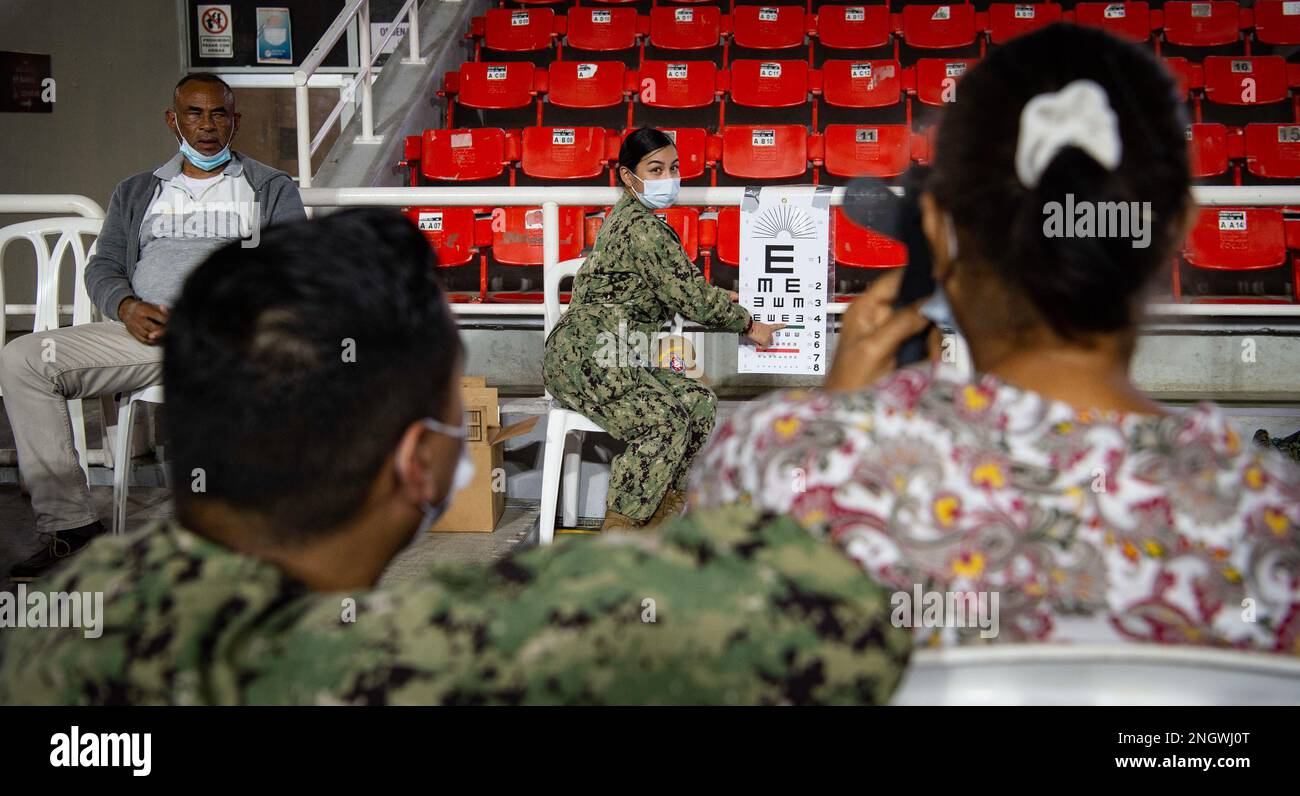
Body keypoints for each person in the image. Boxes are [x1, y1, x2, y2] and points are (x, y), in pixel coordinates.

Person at [0, 209, 910, 705]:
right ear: (421, 466)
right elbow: (832, 628)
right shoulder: (458, 651)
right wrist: (829, 422)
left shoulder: (51, 622)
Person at [690, 24, 1300, 652]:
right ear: (1176, 230)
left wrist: (830, 433)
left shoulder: (768, 464)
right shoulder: (1274, 518)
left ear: (936, 227)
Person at [0, 73, 305, 582]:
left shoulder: (269, 187)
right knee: (22, 358)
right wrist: (125, 306)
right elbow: (104, 266)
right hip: (143, 333)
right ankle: (71, 527)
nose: (207, 125)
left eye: (219, 114)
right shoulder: (139, 190)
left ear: (235, 121)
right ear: (173, 119)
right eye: (194, 113)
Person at [544, 128, 783, 532]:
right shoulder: (643, 229)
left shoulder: (634, 219)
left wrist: (724, 298)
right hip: (587, 356)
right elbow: (689, 297)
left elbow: (675, 284)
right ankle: (619, 541)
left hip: (621, 354)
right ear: (627, 176)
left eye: (672, 168)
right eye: (655, 169)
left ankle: (658, 526)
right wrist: (749, 325)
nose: (668, 178)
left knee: (699, 404)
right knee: (664, 422)